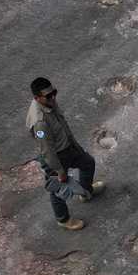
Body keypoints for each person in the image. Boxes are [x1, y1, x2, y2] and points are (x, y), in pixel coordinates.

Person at [25, 77, 105, 231]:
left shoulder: (49, 103)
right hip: (55, 157)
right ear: (37, 98)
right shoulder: (40, 122)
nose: (53, 97)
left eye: (54, 92)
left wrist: (74, 144)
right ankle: (63, 219)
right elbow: (47, 150)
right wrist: (59, 171)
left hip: (67, 147)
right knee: (58, 190)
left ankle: (85, 191)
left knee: (88, 163)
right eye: (48, 96)